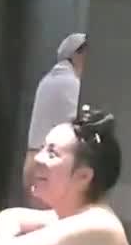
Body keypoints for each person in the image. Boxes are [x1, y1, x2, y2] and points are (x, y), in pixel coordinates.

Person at [0, 106, 131, 245]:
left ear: (83, 177)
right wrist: (5, 241)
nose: (38, 158)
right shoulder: (74, 216)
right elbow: (10, 216)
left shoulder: (97, 226)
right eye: (42, 148)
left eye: (52, 153)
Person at [22, 33, 86, 199]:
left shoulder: (49, 79)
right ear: (77, 55)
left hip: (33, 161)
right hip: (51, 165)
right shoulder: (71, 84)